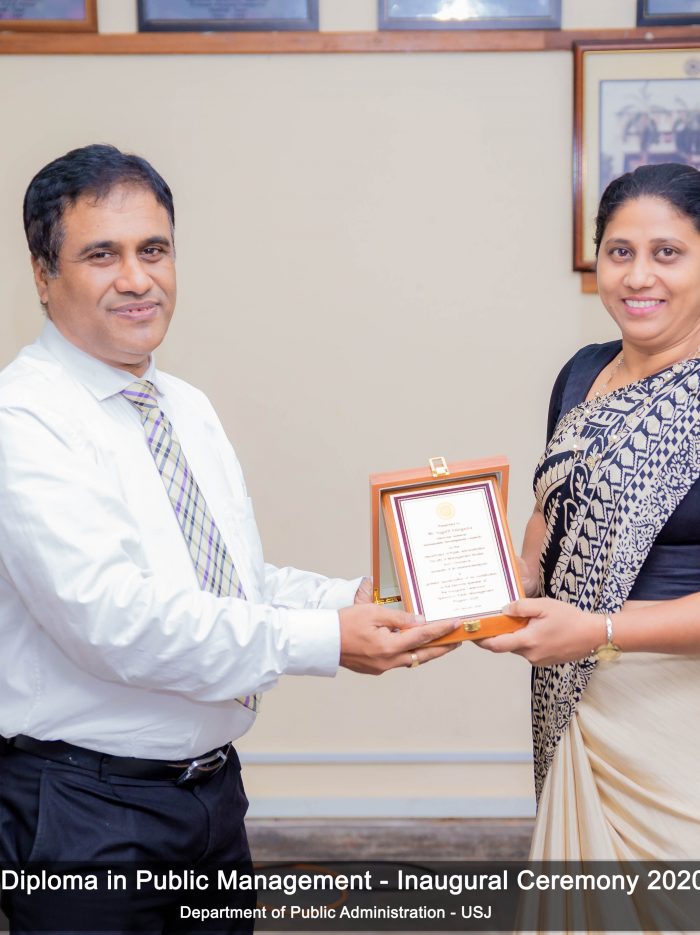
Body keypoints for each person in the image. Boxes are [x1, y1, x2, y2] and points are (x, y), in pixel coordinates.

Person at [0, 144, 459, 933]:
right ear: (44, 276)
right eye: (102, 255)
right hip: (85, 813)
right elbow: (115, 621)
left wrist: (355, 597)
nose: (137, 279)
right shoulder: (23, 419)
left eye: (154, 249)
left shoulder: (184, 405)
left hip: (212, 799)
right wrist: (327, 638)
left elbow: (230, 582)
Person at [479, 162, 700, 910]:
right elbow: (547, 527)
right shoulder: (582, 374)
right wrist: (490, 589)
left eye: (667, 252)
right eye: (619, 252)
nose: (638, 276)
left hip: (675, 716)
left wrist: (599, 630)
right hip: (577, 703)